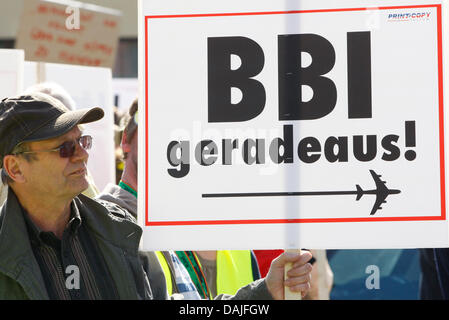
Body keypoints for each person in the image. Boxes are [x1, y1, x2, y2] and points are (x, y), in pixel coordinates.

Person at [0, 93, 313, 300]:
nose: (81, 155)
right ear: (15, 168)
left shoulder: (118, 233)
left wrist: (264, 292)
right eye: (65, 148)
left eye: (83, 141)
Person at [98, 99, 201, 299]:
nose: (167, 145)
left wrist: (262, 291)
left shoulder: (166, 225)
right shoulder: (108, 224)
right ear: (126, 141)